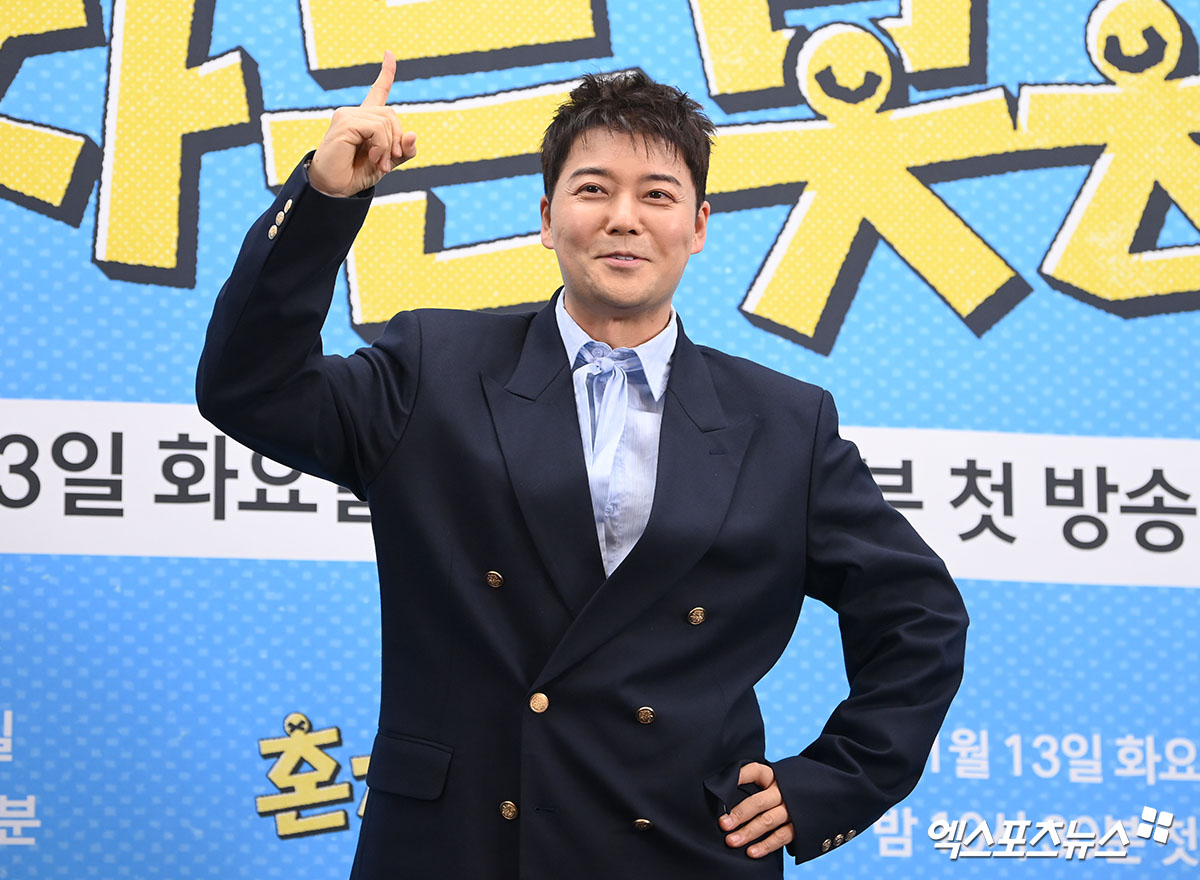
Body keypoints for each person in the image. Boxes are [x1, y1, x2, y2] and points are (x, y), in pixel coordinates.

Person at [197, 53, 968, 879]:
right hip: (460, 847)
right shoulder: (435, 368)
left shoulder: (784, 423)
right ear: (547, 215)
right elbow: (252, 387)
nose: (623, 219)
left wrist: (831, 784)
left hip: (681, 849)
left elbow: (918, 613)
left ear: (699, 226)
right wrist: (323, 200)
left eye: (657, 195)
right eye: (594, 189)